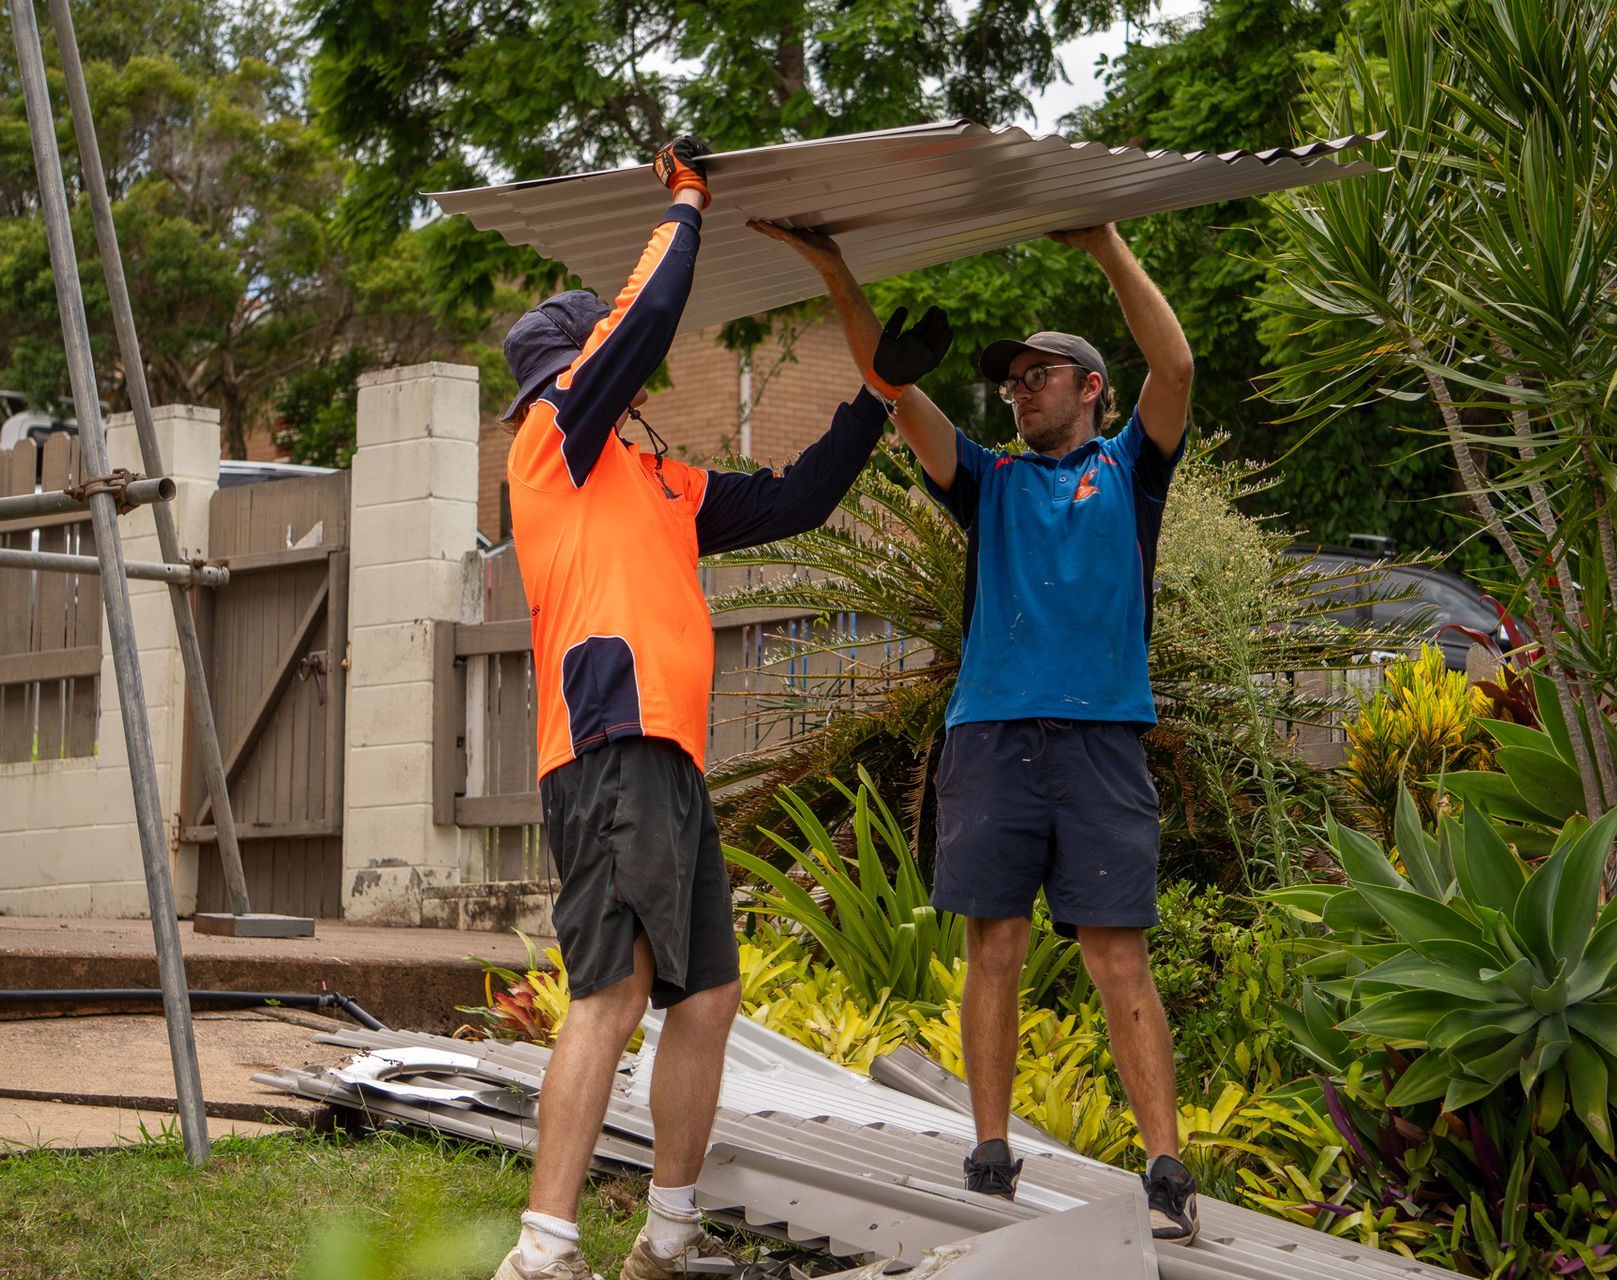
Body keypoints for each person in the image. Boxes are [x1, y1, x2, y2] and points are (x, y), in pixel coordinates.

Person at [494, 140, 951, 1280]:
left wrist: (878, 397)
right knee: (612, 990)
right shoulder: (553, 441)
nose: (636, 371)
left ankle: (670, 1235)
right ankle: (542, 1252)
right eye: (606, 355)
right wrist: (685, 205)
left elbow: (796, 498)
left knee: (709, 996)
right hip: (610, 741)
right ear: (575, 367)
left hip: (668, 756)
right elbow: (642, 320)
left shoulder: (653, 479)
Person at [752, 218, 1200, 1243]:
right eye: (1012, 381)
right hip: (993, 738)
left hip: (1101, 741)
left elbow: (1173, 361)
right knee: (991, 942)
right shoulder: (989, 481)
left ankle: (1167, 1172)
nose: (1020, 388)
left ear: (1092, 388)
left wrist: (1106, 245)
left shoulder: (1134, 470)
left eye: (1041, 375)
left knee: (1115, 954)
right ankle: (990, 1154)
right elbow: (894, 385)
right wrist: (835, 266)